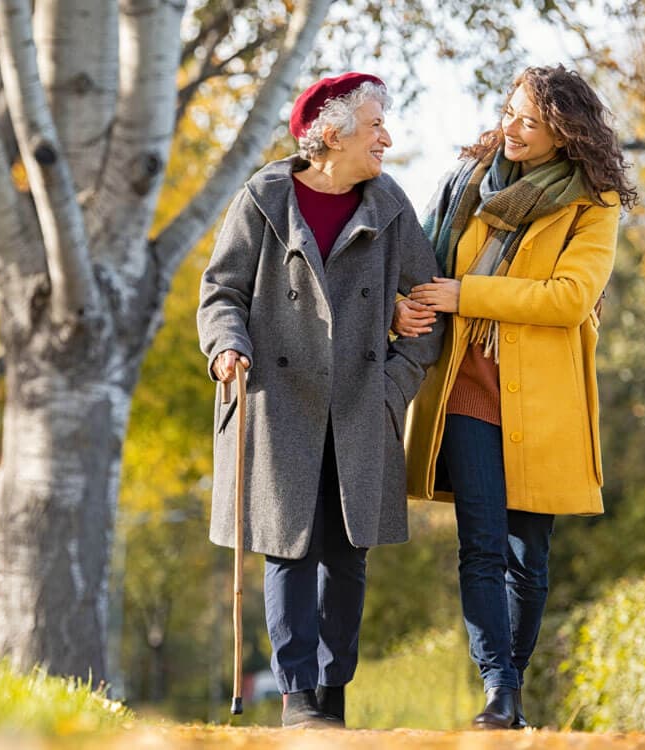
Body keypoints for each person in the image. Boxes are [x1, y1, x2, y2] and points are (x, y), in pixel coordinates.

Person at [394, 64, 638, 729]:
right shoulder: (469, 182)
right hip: (468, 385)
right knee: (481, 544)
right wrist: (402, 303)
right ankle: (499, 693)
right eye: (509, 112)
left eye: (530, 122)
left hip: (544, 401)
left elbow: (568, 298)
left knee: (529, 558)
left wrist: (467, 295)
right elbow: (420, 259)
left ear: (565, 134)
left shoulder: (593, 204)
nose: (512, 129)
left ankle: (513, 689)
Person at [197, 72, 444, 729]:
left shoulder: (390, 204)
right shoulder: (264, 199)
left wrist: (394, 387)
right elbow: (221, 291)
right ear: (330, 136)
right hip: (280, 402)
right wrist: (225, 346)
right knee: (290, 548)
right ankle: (298, 695)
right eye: (375, 127)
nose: (387, 139)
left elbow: (430, 306)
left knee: (347, 553)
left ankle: (334, 694)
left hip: (362, 404)